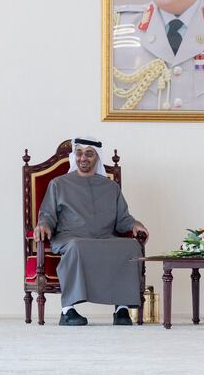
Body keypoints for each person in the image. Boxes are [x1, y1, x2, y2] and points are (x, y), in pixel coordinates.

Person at [33, 137, 149, 326]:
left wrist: (135, 224)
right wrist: (43, 224)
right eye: (79, 153)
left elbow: (123, 219)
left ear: (97, 157)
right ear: (74, 156)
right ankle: (68, 311)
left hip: (105, 237)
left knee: (131, 246)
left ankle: (121, 310)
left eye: (89, 153)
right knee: (77, 246)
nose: (83, 158)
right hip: (70, 237)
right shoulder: (58, 184)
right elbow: (47, 214)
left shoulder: (111, 187)